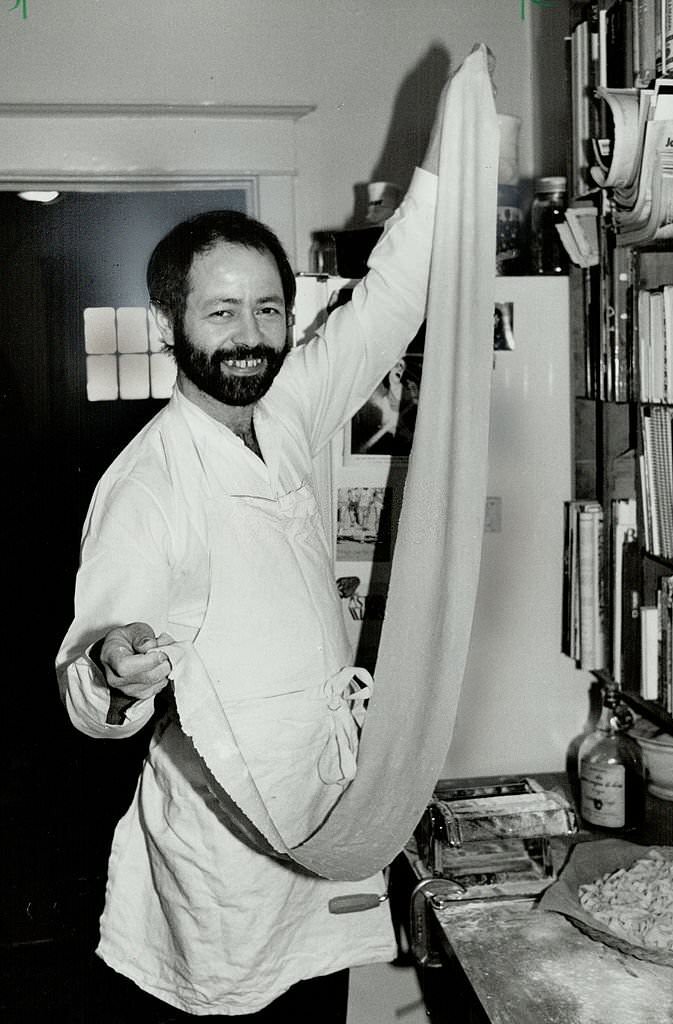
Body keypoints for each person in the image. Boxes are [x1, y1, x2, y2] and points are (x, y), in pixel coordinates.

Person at [56, 84, 444, 1022]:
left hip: (324, 816)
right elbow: (82, 691)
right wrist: (114, 666)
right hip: (226, 856)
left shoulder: (291, 409)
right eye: (221, 313)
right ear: (170, 327)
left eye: (268, 311)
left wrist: (447, 162)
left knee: (321, 1009)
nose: (249, 336)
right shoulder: (146, 487)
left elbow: (391, 302)